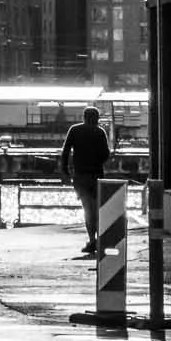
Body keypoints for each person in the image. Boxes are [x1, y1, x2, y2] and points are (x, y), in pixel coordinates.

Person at [56, 106, 113, 258]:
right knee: (98, 208)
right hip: (96, 175)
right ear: (97, 118)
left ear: (84, 117)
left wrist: (66, 171)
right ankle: (101, 239)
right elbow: (106, 154)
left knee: (87, 208)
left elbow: (65, 151)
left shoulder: (74, 130)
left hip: (80, 176)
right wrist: (97, 161)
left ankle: (91, 240)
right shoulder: (100, 132)